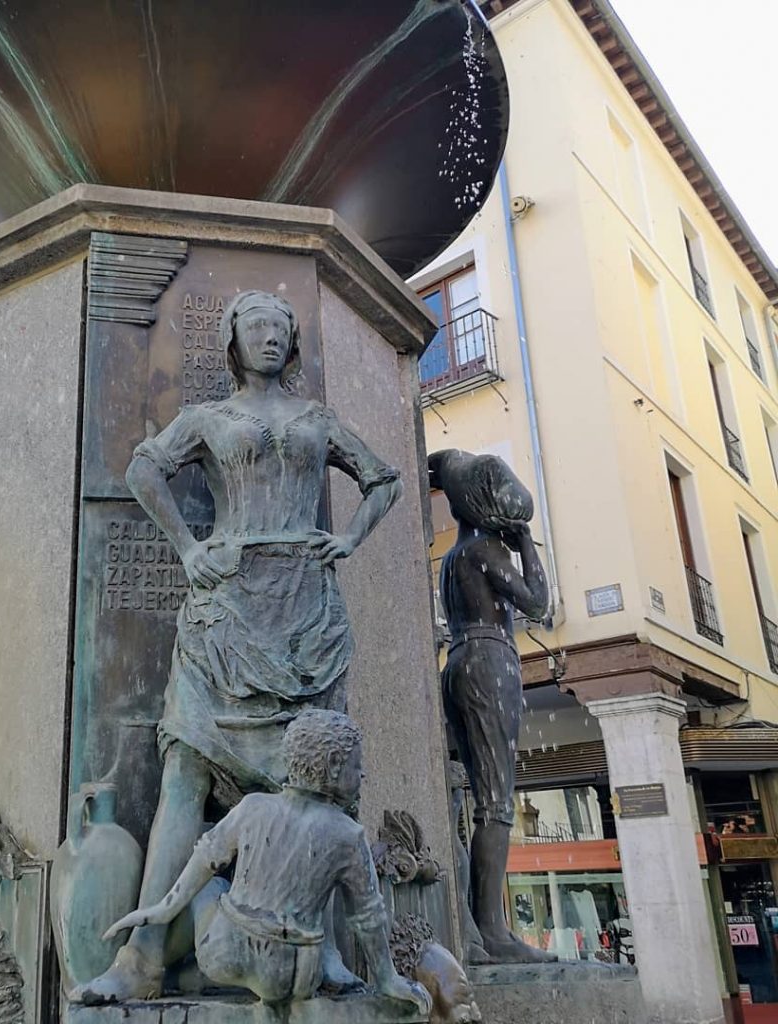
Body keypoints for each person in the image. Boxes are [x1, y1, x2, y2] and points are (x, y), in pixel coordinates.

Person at [82, 290, 402, 1000]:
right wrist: (188, 547)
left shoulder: (316, 419)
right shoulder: (207, 418)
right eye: (254, 325)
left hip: (307, 617)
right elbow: (144, 469)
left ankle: (328, 954)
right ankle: (140, 961)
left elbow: (384, 478)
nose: (268, 336)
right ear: (233, 339)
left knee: (324, 793)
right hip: (222, 615)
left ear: (292, 344)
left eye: (279, 328)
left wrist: (348, 539)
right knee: (184, 779)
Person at [93, 710, 430, 1016]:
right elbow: (368, 917)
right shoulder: (350, 835)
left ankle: (181, 970)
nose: (364, 773)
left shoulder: (252, 806)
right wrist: (387, 979)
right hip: (296, 976)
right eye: (358, 765)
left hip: (226, 955)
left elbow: (202, 861)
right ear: (332, 765)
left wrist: (162, 910)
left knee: (212, 886)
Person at [430, 448, 555, 964]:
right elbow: (538, 602)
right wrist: (526, 541)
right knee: (496, 796)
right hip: (490, 661)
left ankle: (476, 925)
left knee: (472, 791)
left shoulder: (452, 560)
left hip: (458, 660)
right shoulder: (486, 551)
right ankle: (491, 927)